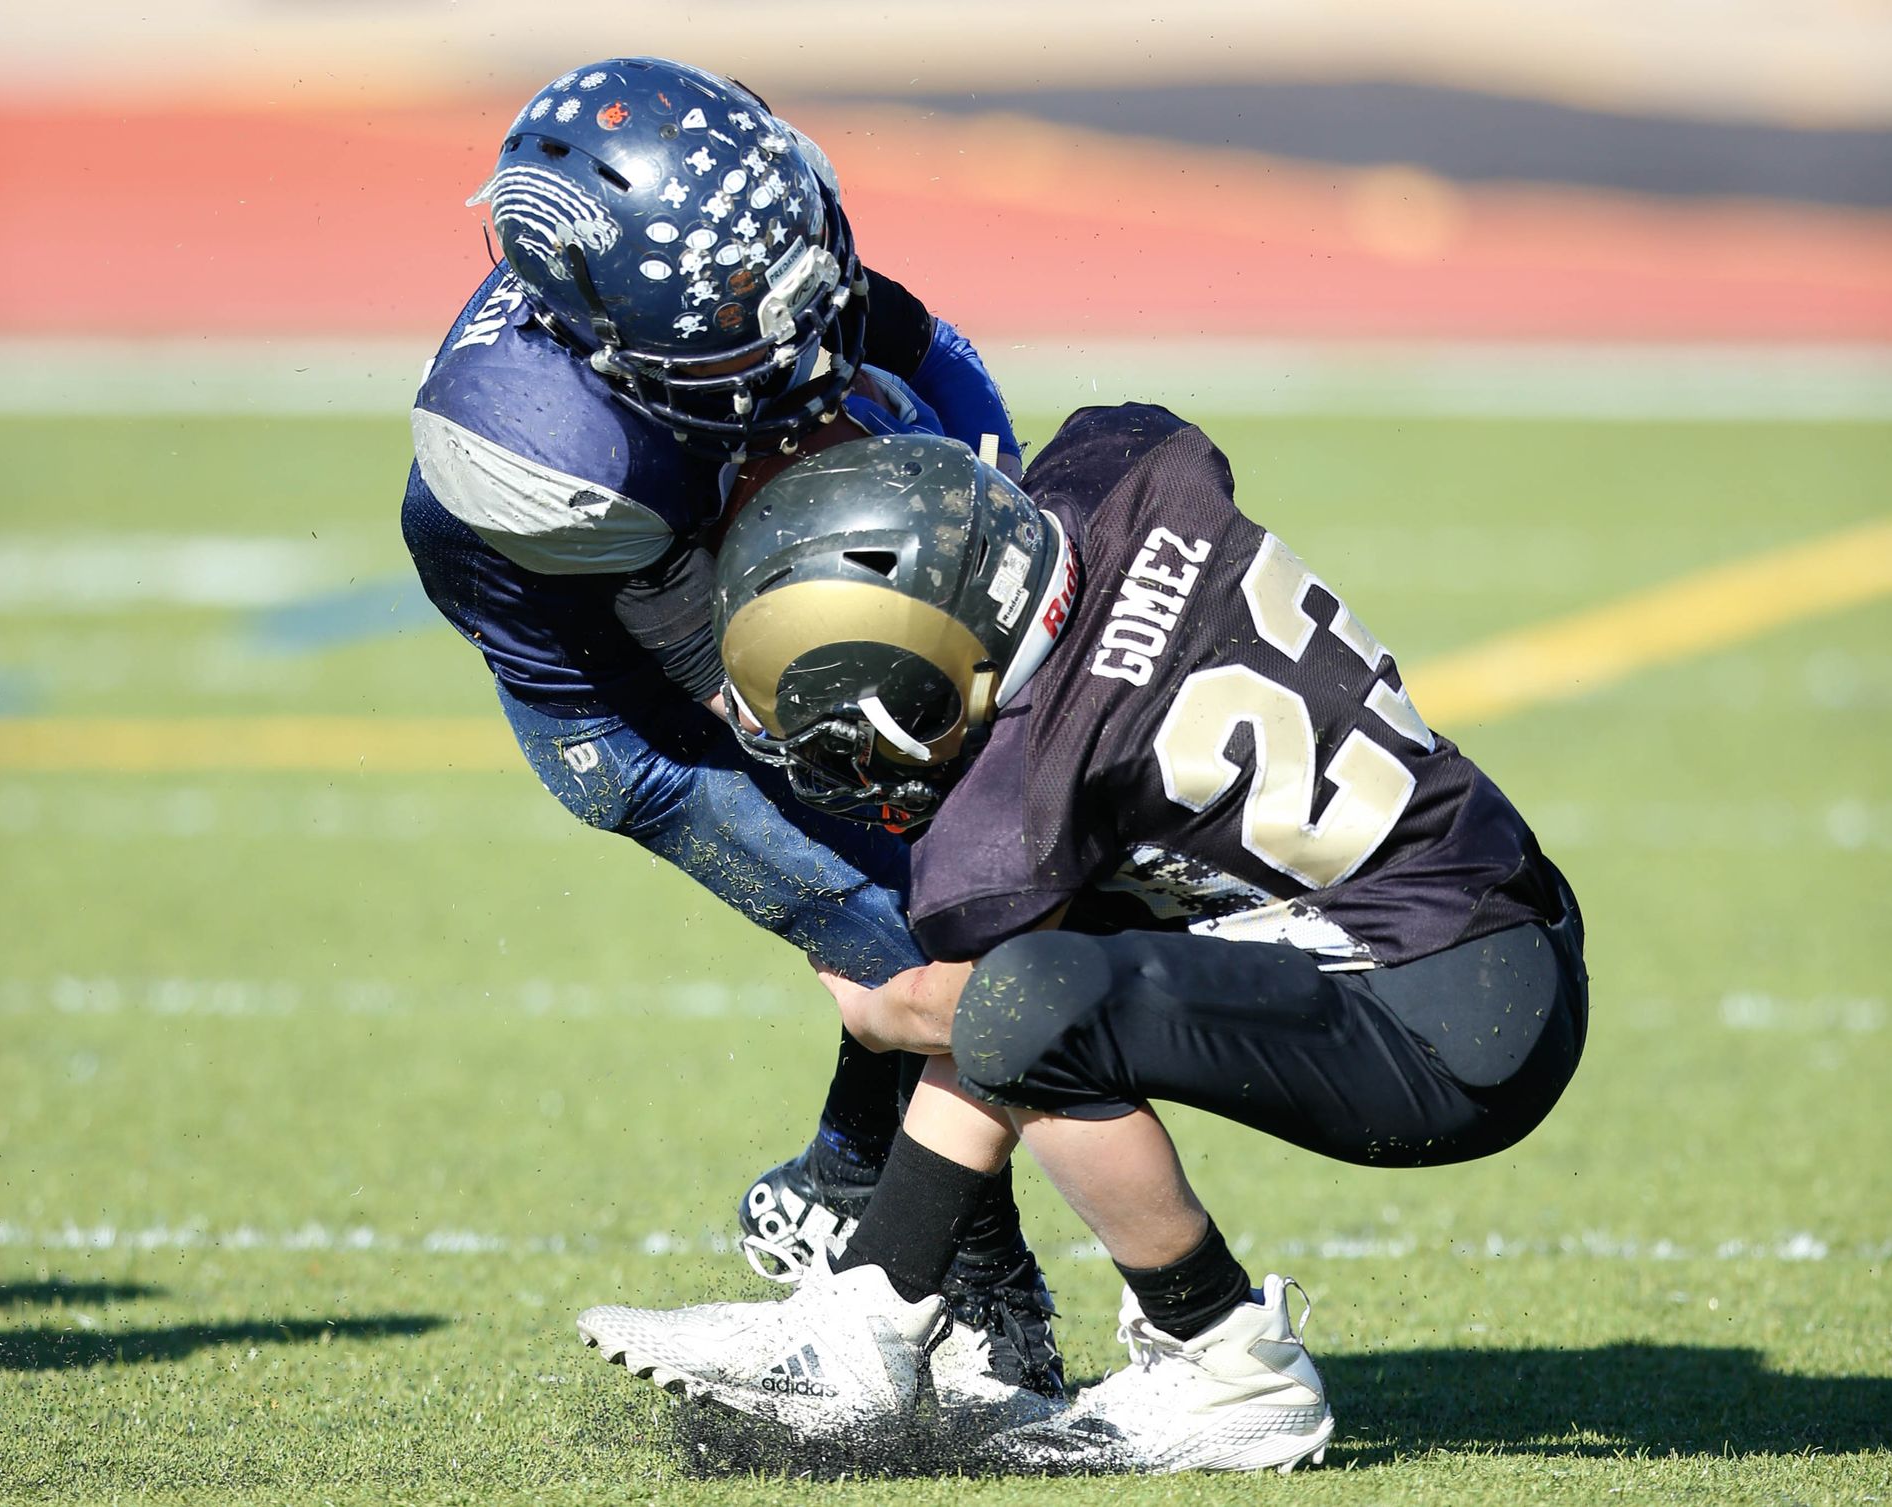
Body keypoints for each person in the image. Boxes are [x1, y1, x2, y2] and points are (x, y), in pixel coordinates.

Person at [575, 406, 1589, 1473]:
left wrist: (879, 1008)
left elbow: (971, 999)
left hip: (1452, 1019)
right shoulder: (1119, 473)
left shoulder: (1029, 792)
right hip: (1476, 910)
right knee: (1057, 954)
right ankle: (872, 1307)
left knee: (1025, 1002)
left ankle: (1225, 1362)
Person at [399, 57, 1059, 1404]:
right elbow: (721, 685)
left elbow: (924, 354)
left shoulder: (728, 255)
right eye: (748, 318)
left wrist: (983, 533)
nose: (801, 314)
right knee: (922, 939)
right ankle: (982, 1303)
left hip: (706, 522)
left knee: (1000, 855)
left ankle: (844, 1181)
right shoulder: (553, 454)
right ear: (622, 342)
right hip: (623, 697)